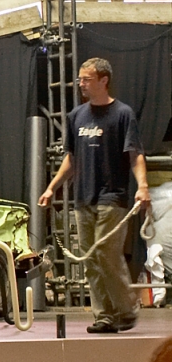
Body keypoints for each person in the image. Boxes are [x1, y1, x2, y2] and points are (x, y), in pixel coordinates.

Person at [39, 57, 148, 334]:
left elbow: (135, 154)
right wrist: (52, 187)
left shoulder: (122, 114)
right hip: (83, 197)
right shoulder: (76, 116)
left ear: (103, 80)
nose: (81, 84)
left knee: (105, 253)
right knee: (90, 260)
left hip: (112, 196)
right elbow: (71, 159)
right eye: (80, 79)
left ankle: (125, 309)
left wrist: (143, 186)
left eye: (86, 79)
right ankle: (105, 316)